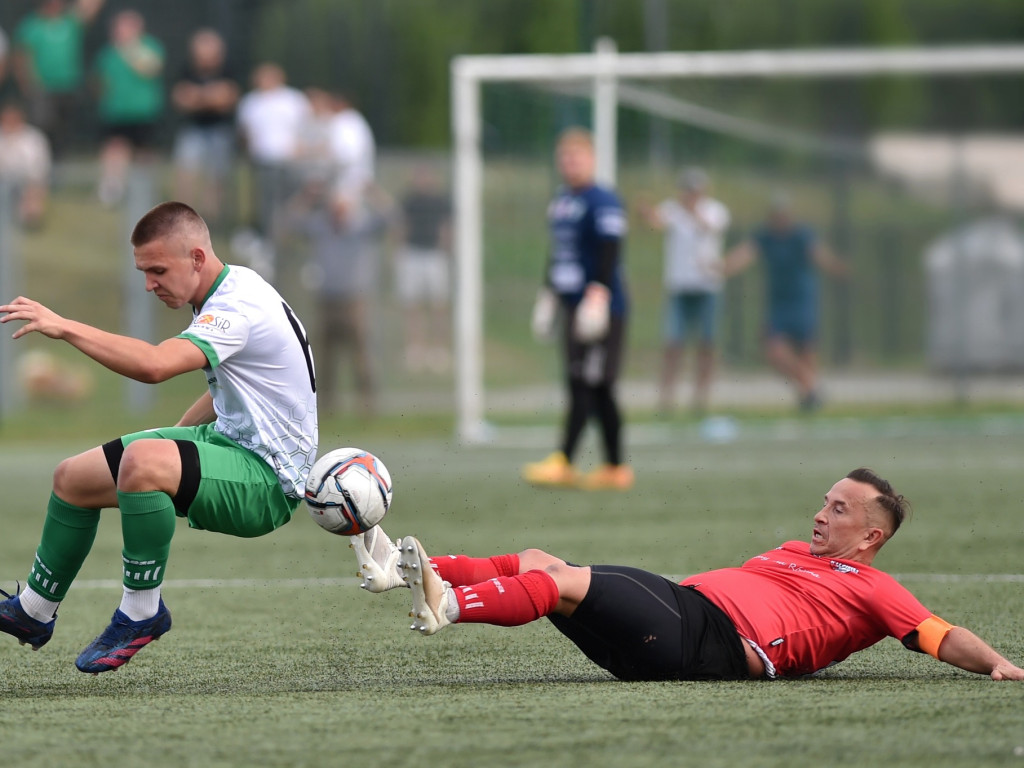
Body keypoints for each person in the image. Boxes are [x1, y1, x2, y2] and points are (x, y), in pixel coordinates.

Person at [0, 201, 319, 674]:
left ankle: (142, 612)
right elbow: (237, 392)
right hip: (231, 444)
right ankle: (34, 610)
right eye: (144, 271)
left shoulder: (235, 308)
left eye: (157, 270)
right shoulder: (228, 288)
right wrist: (176, 449)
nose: (149, 284)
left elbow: (154, 366)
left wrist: (65, 327)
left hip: (268, 480)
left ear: (195, 257)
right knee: (73, 478)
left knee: (143, 463)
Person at [349, 468, 1024, 682]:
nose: (821, 514)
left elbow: (939, 634)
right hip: (675, 629)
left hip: (711, 639)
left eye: (839, 509)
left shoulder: (875, 588)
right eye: (824, 501)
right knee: (537, 561)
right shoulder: (797, 549)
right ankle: (401, 573)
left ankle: (448, 606)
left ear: (871, 536)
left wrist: (998, 664)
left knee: (558, 581)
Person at [523, 127, 632, 491]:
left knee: (591, 382)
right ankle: (614, 466)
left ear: (592, 159)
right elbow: (559, 253)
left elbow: (610, 248)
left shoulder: (603, 200)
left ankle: (567, 459)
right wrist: (549, 294)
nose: (571, 164)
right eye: (565, 158)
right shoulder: (561, 201)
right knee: (587, 384)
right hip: (573, 306)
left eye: (577, 157)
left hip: (600, 309)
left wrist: (598, 292)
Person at [722, 193, 848, 412]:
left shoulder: (801, 235)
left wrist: (837, 267)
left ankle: (809, 400)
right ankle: (811, 386)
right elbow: (744, 254)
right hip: (779, 304)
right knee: (773, 350)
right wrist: (723, 267)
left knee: (807, 352)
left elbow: (819, 254)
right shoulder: (765, 236)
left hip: (802, 301)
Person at [279, 172, 391, 415]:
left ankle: (368, 404)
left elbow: (389, 217)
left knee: (361, 354)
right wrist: (306, 196)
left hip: (354, 300)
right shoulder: (321, 226)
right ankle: (327, 405)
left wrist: (373, 192)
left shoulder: (360, 227)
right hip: (327, 299)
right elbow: (290, 221)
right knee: (325, 356)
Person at [638, 167, 730, 415]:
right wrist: (645, 211)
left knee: (706, 344)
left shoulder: (715, 210)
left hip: (707, 286)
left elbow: (709, 227)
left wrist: (690, 210)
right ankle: (666, 399)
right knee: (672, 344)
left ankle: (701, 399)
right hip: (679, 287)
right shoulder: (673, 209)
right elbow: (655, 222)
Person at [235, 62, 311, 264]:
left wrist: (301, 148)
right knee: (267, 205)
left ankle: (295, 245)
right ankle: (269, 247)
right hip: (264, 162)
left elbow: (306, 127)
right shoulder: (251, 102)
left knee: (293, 204)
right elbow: (245, 133)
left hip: (289, 162)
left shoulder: (293, 99)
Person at [13, 0, 105, 156]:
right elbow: (20, 58)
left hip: (68, 85)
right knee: (43, 129)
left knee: (65, 131)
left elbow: (90, 6)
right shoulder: (31, 25)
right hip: (43, 88)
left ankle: (59, 166)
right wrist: (28, 85)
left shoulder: (70, 22)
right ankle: (41, 165)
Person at [92, 10, 165, 207]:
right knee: (115, 148)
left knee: (144, 152)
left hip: (143, 110)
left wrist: (130, 48)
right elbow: (101, 81)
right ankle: (112, 190)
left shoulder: (149, 47)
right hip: (116, 110)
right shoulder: (107, 53)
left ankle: (146, 190)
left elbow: (151, 68)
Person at [171, 28, 239, 228]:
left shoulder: (228, 70)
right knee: (186, 174)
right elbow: (181, 98)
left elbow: (227, 98)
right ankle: (182, 219)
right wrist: (210, 96)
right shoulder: (186, 70)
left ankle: (212, 221)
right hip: (193, 129)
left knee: (216, 176)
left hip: (219, 131)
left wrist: (198, 96)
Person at [396, 163, 452, 373]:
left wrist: (446, 250)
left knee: (438, 303)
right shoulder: (409, 201)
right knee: (413, 304)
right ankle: (415, 349)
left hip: (434, 255)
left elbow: (446, 227)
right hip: (412, 254)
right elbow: (402, 226)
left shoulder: (441, 201)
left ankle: (438, 349)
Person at [0, 101, 52, 228]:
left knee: (33, 192)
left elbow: (39, 166)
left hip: (26, 181)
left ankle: (29, 218)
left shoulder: (33, 138)